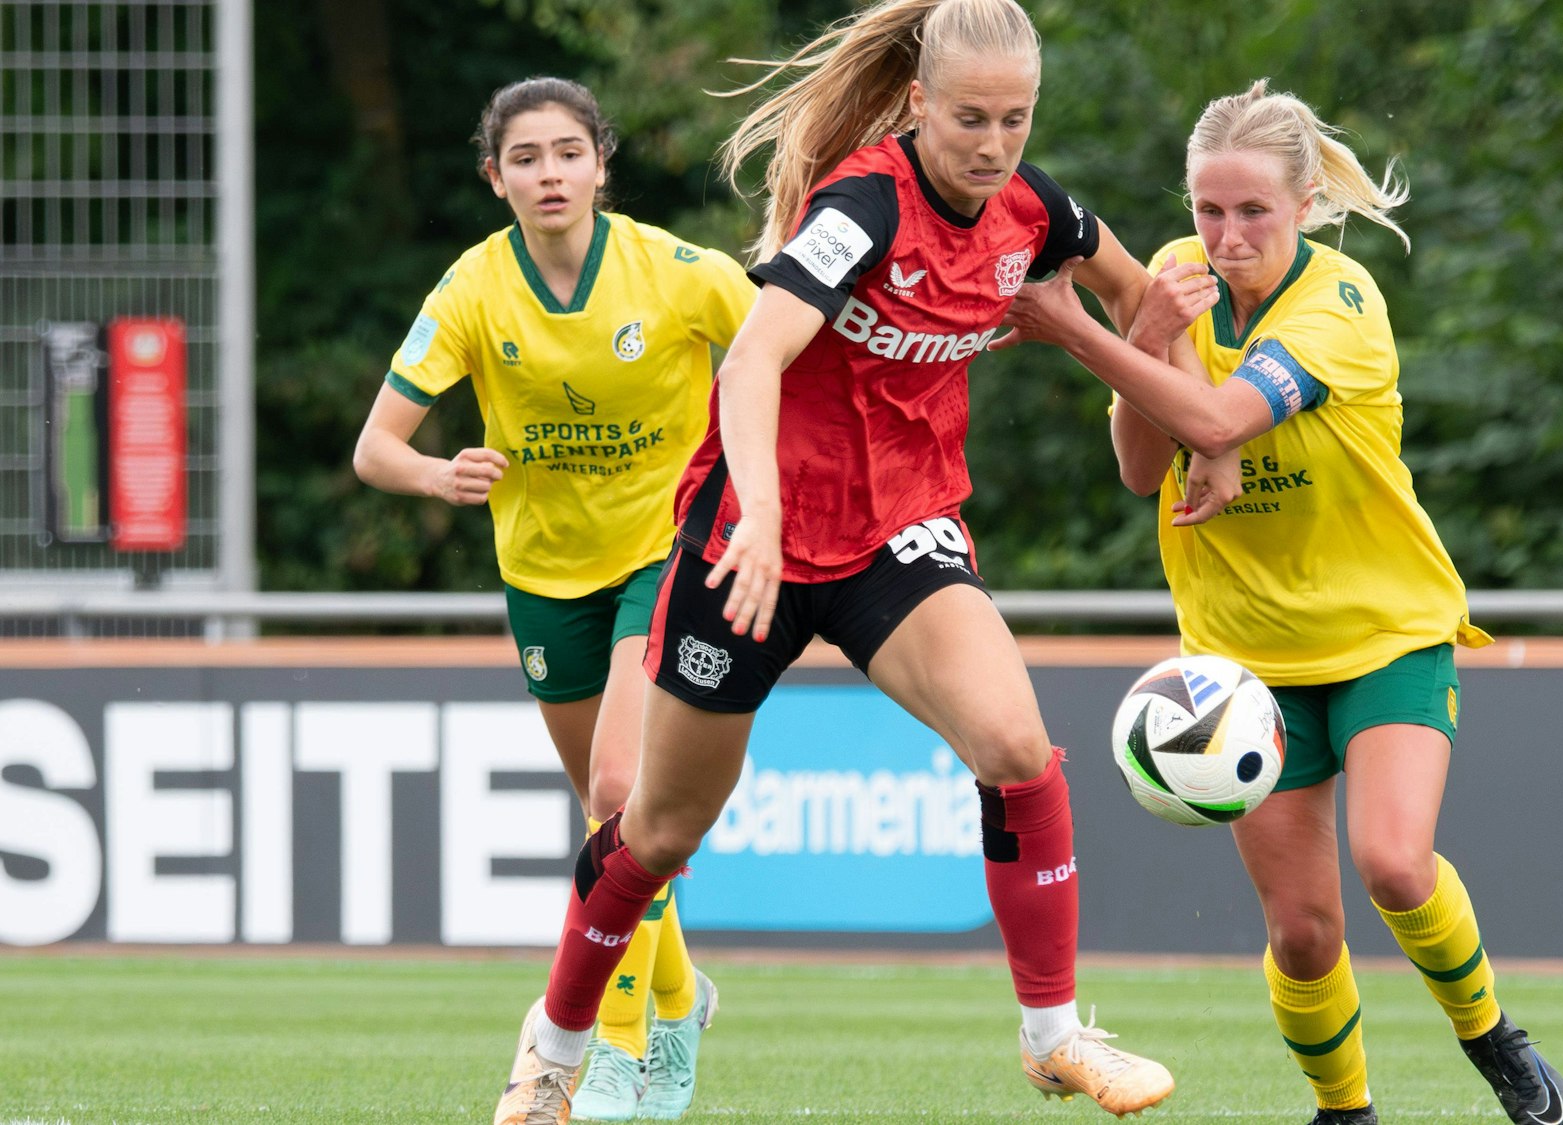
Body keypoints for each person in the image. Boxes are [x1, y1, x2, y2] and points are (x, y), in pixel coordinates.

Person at [490, 3, 1182, 1123]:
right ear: (917, 104)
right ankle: (555, 1053)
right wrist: (757, 517)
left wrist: (1178, 418)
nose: (992, 143)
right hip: (754, 542)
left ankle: (1055, 1039)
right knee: (654, 830)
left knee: (1015, 747)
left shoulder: (1033, 209)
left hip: (896, 531)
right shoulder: (860, 206)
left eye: (1014, 118)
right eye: (968, 117)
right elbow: (752, 361)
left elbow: (1139, 297)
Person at [995, 80, 1563, 1125]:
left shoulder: (1340, 302)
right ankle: (1342, 1113)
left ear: (1305, 203)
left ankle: (1495, 1042)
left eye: (1251, 211)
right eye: (1206, 211)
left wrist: (1078, 331)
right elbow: (1138, 466)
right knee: (1301, 931)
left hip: (1382, 632)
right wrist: (1142, 336)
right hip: (1241, 662)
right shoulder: (1175, 276)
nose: (1224, 236)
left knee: (1393, 864)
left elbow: (1217, 416)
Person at [352, 76, 754, 1123]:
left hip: (664, 554)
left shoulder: (677, 271)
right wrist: (439, 475)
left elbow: (782, 356)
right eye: (524, 158)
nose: (549, 174)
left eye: (566, 152)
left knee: (621, 794)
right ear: (496, 178)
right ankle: (677, 999)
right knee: (615, 828)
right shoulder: (473, 289)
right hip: (541, 578)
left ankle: (612, 1060)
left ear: (599, 165)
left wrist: (762, 486)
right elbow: (376, 448)